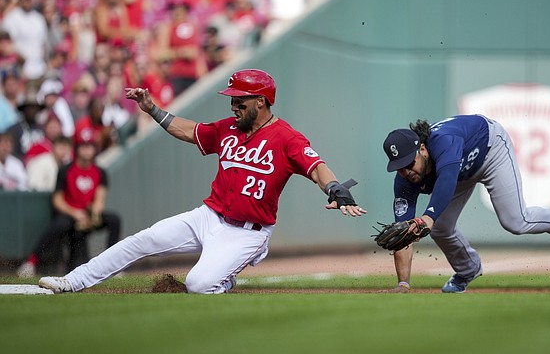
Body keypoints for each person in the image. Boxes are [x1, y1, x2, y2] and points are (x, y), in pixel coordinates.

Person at [38, 68, 367, 294]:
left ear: (262, 101)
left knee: (197, 285)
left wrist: (334, 188)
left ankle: (224, 280)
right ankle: (74, 281)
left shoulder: (286, 138)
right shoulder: (228, 127)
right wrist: (152, 109)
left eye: (240, 100)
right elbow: (188, 130)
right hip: (208, 216)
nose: (233, 105)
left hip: (248, 232)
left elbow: (316, 166)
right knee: (142, 240)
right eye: (232, 99)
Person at [382, 115, 550, 293]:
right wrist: (403, 283)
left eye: (409, 163)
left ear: (423, 149)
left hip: (491, 151)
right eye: (399, 167)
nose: (405, 171)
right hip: (460, 172)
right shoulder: (404, 183)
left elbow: (446, 179)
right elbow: (402, 236)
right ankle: (468, 270)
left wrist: (427, 217)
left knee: (516, 221)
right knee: (440, 229)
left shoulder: (443, 141)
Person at [17, 128, 121, 277]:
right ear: (77, 148)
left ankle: (113, 265)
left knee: (114, 220)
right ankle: (31, 262)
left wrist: (94, 213)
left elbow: (100, 197)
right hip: (71, 214)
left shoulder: (100, 172)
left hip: (88, 214)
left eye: (90, 146)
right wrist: (75, 213)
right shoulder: (65, 170)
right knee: (60, 225)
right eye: (83, 146)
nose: (87, 150)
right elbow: (57, 199)